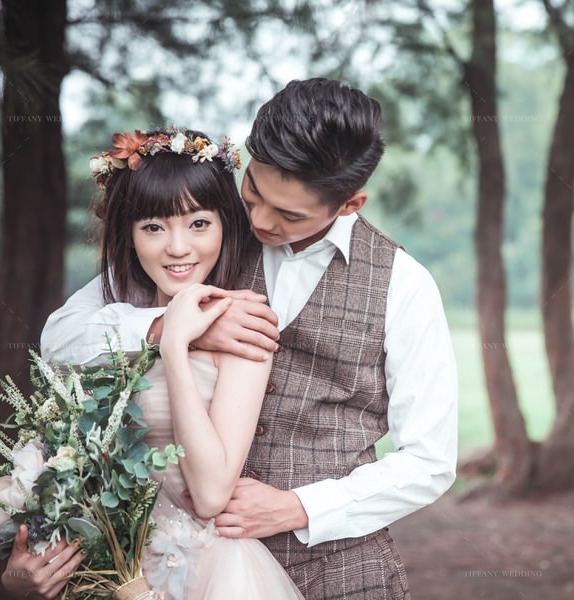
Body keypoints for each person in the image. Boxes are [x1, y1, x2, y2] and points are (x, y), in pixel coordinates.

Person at [37, 78, 458, 599]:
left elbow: (429, 460)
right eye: (253, 191)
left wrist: (300, 507)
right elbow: (60, 338)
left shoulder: (403, 285)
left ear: (350, 203)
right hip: (188, 569)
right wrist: (165, 328)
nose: (258, 220)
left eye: (289, 214)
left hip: (343, 571)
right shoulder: (196, 234)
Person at [2, 127, 303, 600]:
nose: (178, 247)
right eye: (153, 228)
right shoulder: (114, 306)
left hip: (204, 570)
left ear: (226, 224)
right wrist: (164, 326)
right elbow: (56, 342)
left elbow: (210, 496)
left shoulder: (242, 326)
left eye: (199, 223)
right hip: (110, 563)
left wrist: (176, 347)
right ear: (129, 234)